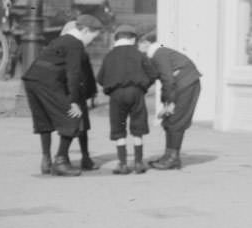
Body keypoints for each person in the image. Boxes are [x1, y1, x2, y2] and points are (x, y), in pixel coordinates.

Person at [21, 13, 103, 176]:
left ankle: (46, 161)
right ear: (85, 30)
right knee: (73, 116)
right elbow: (73, 74)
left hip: (31, 80)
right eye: (93, 37)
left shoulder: (60, 40)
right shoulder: (75, 44)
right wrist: (73, 102)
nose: (92, 42)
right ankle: (61, 162)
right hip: (48, 83)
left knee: (43, 120)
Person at [98, 23, 158, 174]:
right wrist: (143, 86)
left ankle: (122, 163)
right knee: (138, 125)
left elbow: (100, 78)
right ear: (132, 39)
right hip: (136, 92)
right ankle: (138, 162)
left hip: (116, 94)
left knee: (118, 126)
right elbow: (152, 74)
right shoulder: (139, 55)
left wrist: (110, 86)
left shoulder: (110, 56)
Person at [138, 31, 201, 170]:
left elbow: (167, 79)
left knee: (176, 120)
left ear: (146, 43)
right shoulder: (158, 53)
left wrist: (169, 102)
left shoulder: (158, 54)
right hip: (182, 85)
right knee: (169, 120)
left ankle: (173, 158)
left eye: (138, 45)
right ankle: (169, 155)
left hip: (186, 85)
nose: (137, 49)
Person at [60, 20, 98, 171]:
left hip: (77, 91)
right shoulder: (75, 49)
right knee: (76, 125)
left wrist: (91, 91)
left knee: (81, 127)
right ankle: (72, 157)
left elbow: (87, 72)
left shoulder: (78, 49)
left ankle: (83, 157)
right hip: (74, 92)